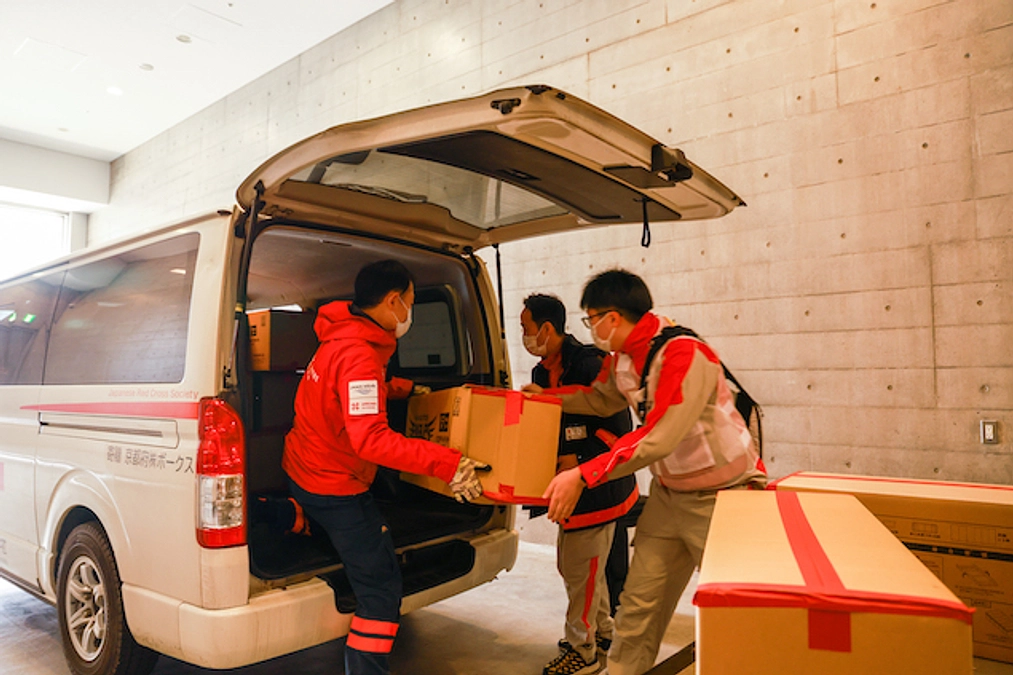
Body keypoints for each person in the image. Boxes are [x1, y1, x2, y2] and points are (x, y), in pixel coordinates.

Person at [528, 270, 766, 675]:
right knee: (638, 606)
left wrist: (584, 473)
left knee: (737, 611)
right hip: (670, 494)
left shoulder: (683, 354)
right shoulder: (623, 359)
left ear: (612, 318)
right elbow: (598, 399)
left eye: (591, 319)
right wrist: (545, 400)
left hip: (725, 496)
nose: (591, 330)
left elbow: (658, 436)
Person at [283, 259, 486, 675]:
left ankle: (288, 514)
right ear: (394, 300)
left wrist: (408, 389)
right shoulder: (359, 353)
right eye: (411, 302)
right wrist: (448, 464)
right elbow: (371, 440)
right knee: (381, 591)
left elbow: (360, 387)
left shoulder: (339, 340)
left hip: (302, 467)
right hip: (334, 485)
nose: (410, 312)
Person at [521, 294, 637, 675]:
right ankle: (602, 632)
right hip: (568, 488)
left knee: (579, 571)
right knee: (584, 569)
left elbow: (620, 431)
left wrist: (580, 462)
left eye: (526, 328)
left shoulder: (590, 365)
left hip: (598, 485)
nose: (524, 335)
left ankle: (582, 651)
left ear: (547, 328)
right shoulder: (542, 374)